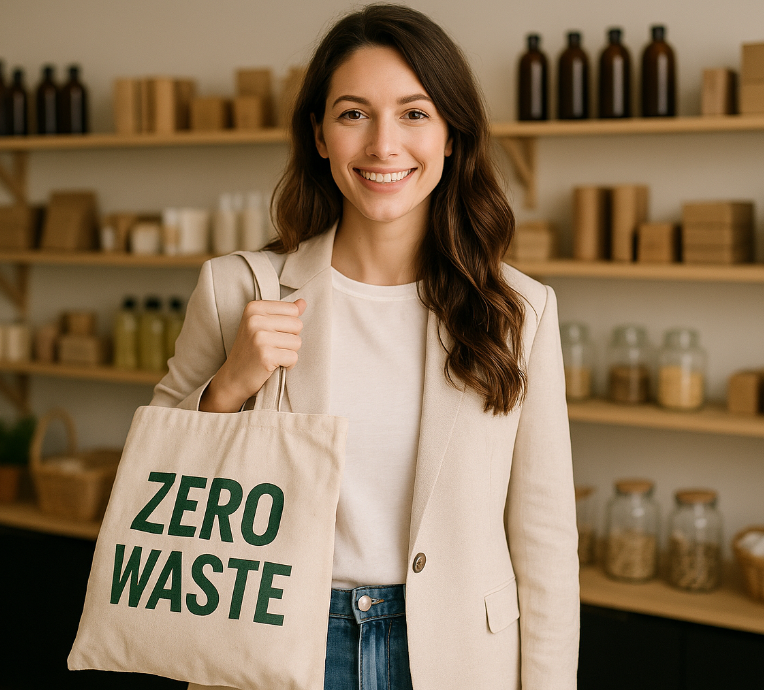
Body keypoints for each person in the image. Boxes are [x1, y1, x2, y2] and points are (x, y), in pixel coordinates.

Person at [151, 4, 579, 689]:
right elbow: (159, 486)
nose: (384, 145)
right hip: (280, 643)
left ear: (450, 136)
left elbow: (546, 541)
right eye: (353, 114)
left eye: (414, 114)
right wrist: (230, 384)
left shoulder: (518, 311)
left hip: (457, 653)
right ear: (319, 134)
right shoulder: (238, 288)